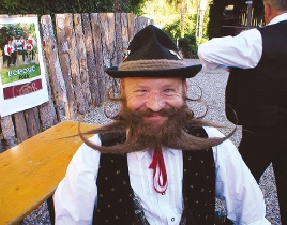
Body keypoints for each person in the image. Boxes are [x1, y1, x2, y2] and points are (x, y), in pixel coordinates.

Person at [55, 25, 270, 225]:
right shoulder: (93, 155)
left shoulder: (211, 144)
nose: (155, 105)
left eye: (168, 90)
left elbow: (253, 217)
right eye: (141, 91)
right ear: (123, 91)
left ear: (184, 89)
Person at [198, 0, 287, 224]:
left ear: (267, 8)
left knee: (242, 180)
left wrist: (238, 62)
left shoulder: (257, 39)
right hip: (267, 125)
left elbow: (206, 52)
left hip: (264, 127)